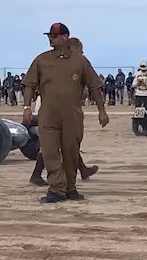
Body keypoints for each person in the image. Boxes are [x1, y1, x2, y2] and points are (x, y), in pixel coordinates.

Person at [22, 23, 109, 204]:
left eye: (54, 35)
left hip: (72, 116)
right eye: (49, 36)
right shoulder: (41, 60)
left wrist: (102, 111)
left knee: (71, 153)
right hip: (48, 115)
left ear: (65, 37)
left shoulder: (80, 61)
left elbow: (95, 86)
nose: (51, 38)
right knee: (50, 153)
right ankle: (56, 189)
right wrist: (26, 107)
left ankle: (70, 188)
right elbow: (29, 84)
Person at [29, 37, 100, 187]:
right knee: (51, 145)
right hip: (49, 106)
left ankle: (82, 170)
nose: (82, 53)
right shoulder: (56, 62)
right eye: (81, 50)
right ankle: (38, 175)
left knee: (68, 143)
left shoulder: (75, 64)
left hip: (59, 108)